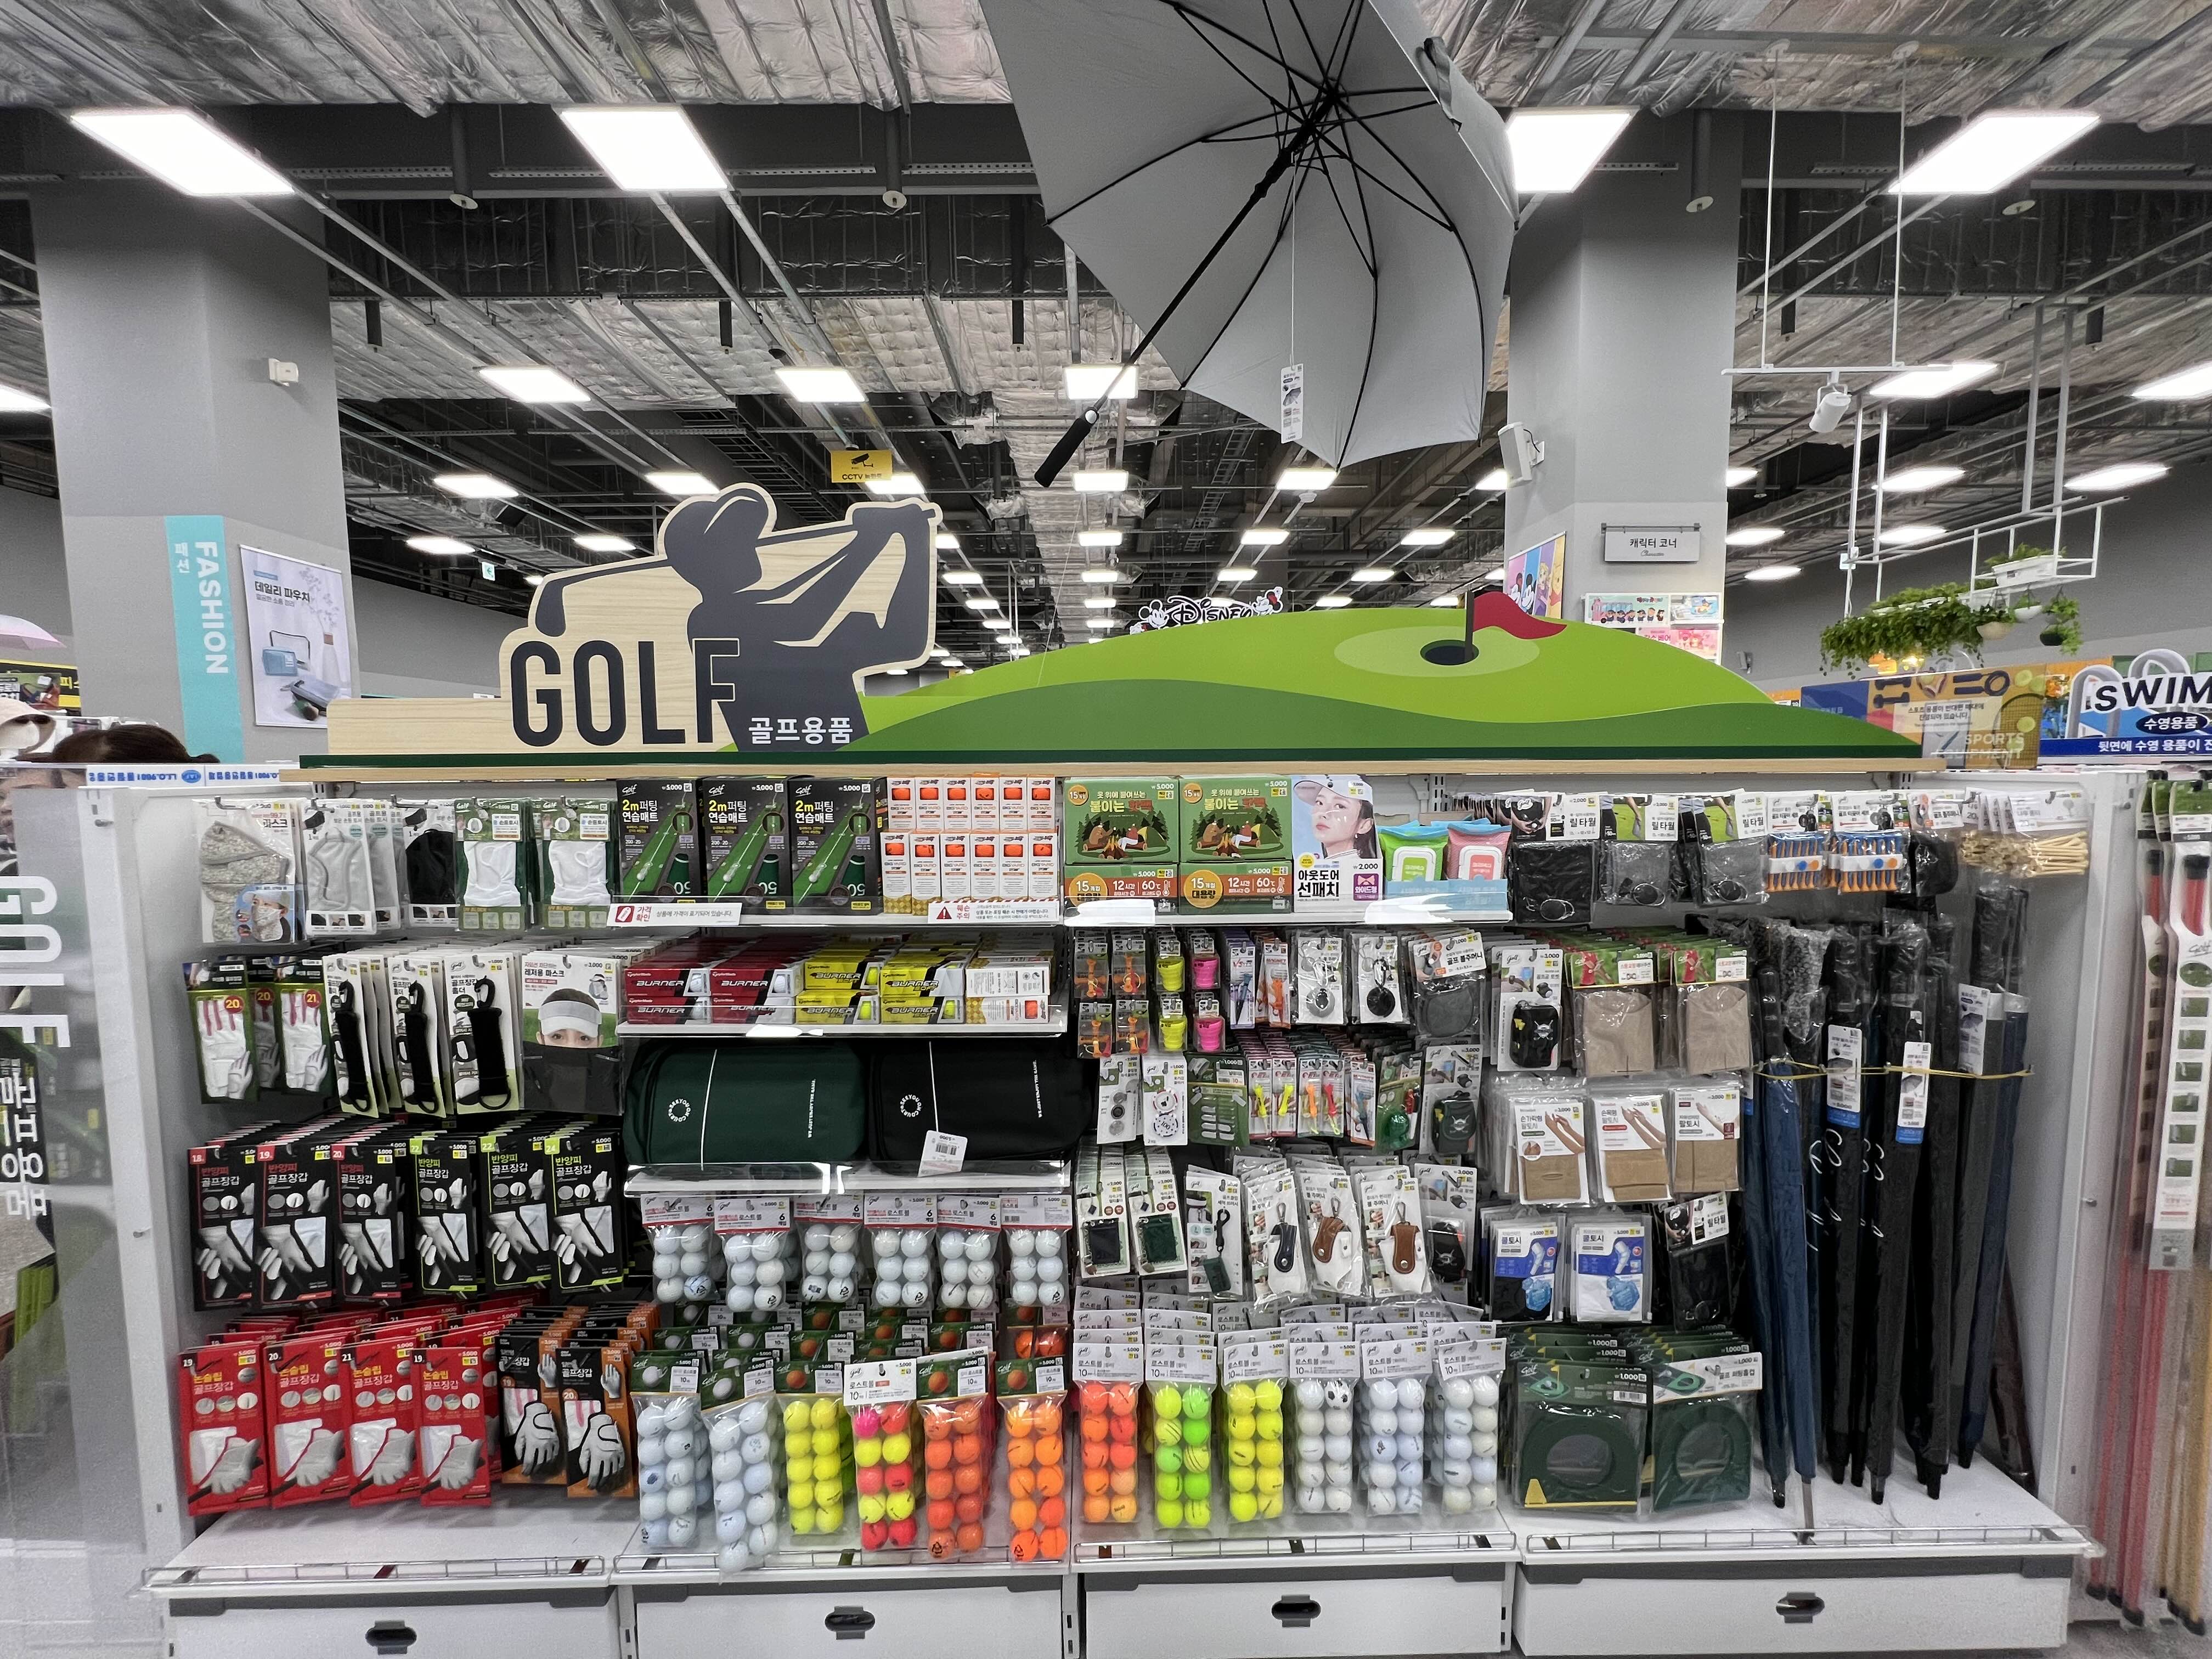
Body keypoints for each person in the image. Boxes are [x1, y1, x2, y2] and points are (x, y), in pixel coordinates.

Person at [1296, 777, 1379, 864]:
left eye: (1340, 806)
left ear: (1364, 826)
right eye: (1320, 803)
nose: (1323, 813)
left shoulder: (1354, 867)